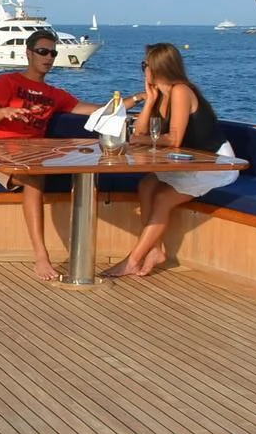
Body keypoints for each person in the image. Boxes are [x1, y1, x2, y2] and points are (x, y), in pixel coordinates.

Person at [0, 28, 126, 281]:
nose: (48, 57)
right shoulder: (7, 82)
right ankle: (41, 257)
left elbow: (97, 110)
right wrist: (5, 113)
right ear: (29, 54)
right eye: (42, 52)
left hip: (30, 154)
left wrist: (134, 101)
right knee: (35, 180)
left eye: (53, 53)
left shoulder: (56, 95)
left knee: (50, 173)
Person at [102, 42, 238, 279]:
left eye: (145, 64)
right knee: (146, 185)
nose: (143, 69)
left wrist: (141, 137)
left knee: (163, 198)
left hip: (216, 163)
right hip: (189, 161)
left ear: (157, 67)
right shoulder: (162, 96)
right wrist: (151, 100)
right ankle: (154, 250)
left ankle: (132, 261)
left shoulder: (180, 91)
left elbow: (173, 139)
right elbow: (141, 135)